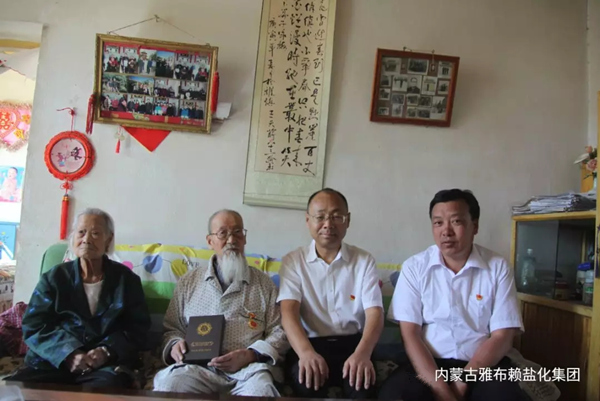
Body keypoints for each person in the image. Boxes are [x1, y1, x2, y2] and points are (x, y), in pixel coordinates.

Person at [379, 189, 528, 401]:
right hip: (428, 365)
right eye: (438, 223)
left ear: (474, 226)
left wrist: (462, 382)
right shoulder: (414, 267)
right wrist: (441, 390)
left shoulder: (497, 267)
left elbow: (502, 336)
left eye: (456, 221)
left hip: (482, 366)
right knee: (396, 396)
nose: (446, 231)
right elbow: (410, 334)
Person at [5, 208, 151, 388]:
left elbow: (138, 328)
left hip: (105, 366)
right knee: (17, 388)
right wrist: (68, 353)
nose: (86, 239)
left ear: (108, 239)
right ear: (73, 237)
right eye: (81, 232)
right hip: (54, 362)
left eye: (95, 233)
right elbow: (34, 324)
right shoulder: (54, 278)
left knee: (112, 385)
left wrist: (106, 351)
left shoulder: (126, 280)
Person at [153, 210, 288, 396]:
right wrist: (175, 345)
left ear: (244, 238)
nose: (231, 240)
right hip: (198, 369)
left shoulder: (264, 284)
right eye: (223, 233)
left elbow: (279, 331)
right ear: (210, 241)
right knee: (170, 384)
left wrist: (251, 354)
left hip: (247, 371)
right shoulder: (189, 282)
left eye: (237, 232)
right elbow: (172, 328)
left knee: (261, 390)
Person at [278, 188, 384, 399]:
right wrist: (305, 353)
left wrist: (363, 353)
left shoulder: (363, 261)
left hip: (354, 345)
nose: (328, 224)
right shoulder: (293, 261)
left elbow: (375, 313)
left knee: (362, 389)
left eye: (336, 216)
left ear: (347, 220)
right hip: (311, 345)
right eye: (320, 217)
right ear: (308, 220)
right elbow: (288, 312)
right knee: (306, 385)